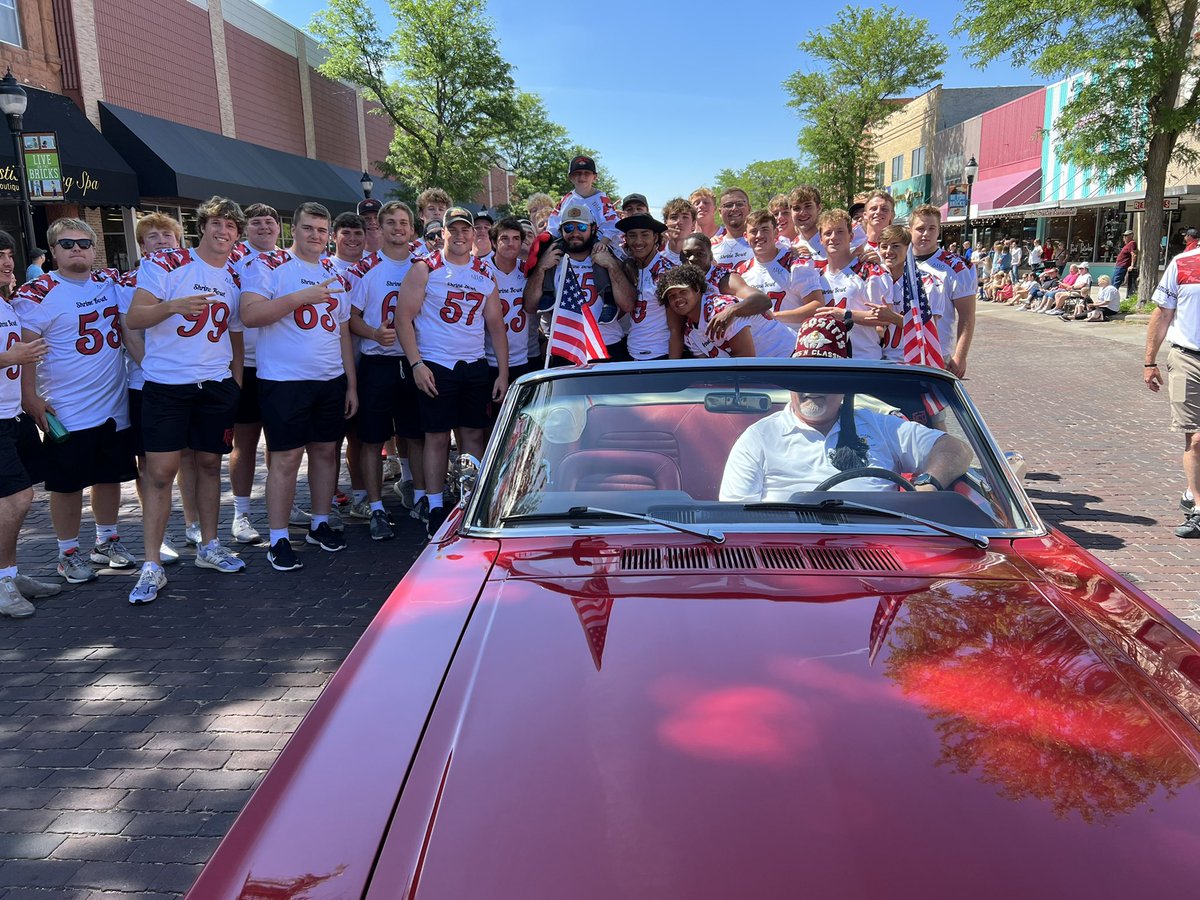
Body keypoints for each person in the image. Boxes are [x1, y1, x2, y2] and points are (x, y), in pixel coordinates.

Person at [124, 197, 247, 604]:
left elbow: (234, 331)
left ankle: (209, 546)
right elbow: (135, 319)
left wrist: (236, 380)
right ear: (203, 227)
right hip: (167, 384)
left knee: (210, 464)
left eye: (231, 226)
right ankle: (152, 564)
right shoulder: (166, 263)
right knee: (161, 471)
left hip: (214, 384)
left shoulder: (235, 272)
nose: (224, 232)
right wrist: (173, 306)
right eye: (217, 224)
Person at [719, 315, 971, 502]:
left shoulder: (880, 426)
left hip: (878, 557)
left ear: (845, 384)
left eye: (825, 376)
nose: (811, 386)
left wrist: (927, 485)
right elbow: (734, 523)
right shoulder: (759, 437)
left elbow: (955, 449)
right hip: (784, 561)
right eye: (802, 375)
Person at [15, 218, 137, 584]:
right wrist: (30, 398)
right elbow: (24, 352)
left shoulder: (109, 282)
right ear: (52, 251)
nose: (77, 249)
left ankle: (107, 541)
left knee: (110, 476)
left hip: (112, 402)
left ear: (95, 248)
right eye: (67, 244)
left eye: (84, 243)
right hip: (66, 405)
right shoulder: (38, 292)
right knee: (67, 485)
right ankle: (67, 553)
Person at [240, 202, 357, 571]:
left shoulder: (334, 274)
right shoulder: (268, 266)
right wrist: (297, 299)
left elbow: (341, 331)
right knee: (286, 458)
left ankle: (320, 523)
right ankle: (278, 538)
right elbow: (250, 314)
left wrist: (350, 383)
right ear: (294, 229)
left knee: (326, 452)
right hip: (284, 380)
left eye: (322, 230)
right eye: (309, 228)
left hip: (329, 378)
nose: (316, 236)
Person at [395, 207, 508, 536]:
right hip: (436, 364)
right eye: (452, 230)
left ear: (475, 234)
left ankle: (470, 499)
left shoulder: (484, 275)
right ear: (441, 233)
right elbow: (403, 319)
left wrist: (501, 372)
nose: (459, 235)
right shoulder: (424, 269)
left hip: (473, 364)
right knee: (437, 437)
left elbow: (496, 327)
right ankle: (434, 505)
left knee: (473, 434)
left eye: (465, 229)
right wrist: (416, 364)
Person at [115, 212, 197, 564]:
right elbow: (130, 331)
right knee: (149, 463)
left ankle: (194, 523)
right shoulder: (129, 281)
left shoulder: (191, 273)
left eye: (168, 235)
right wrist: (154, 370)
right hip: (146, 382)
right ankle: (158, 536)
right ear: (141, 243)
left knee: (190, 455)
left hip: (187, 380)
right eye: (153, 236)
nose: (162, 241)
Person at [346, 200, 420, 541]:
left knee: (415, 434)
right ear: (381, 227)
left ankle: (418, 494)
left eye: (403, 222)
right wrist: (374, 333)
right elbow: (351, 318)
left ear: (412, 228)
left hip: (414, 360)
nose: (397, 228)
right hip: (378, 361)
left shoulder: (423, 266)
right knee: (372, 438)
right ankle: (376, 507)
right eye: (390, 222)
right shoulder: (366, 268)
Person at [0, 229, 57, 616]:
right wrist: (8, 357)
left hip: (13, 416)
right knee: (17, 499)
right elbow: (10, 357)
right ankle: (3, 581)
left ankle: (10, 573)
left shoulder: (6, 305)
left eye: (7, 255)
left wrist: (31, 403)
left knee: (19, 499)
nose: (6, 262)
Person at [226, 202, 280, 544]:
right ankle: (241, 513)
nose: (264, 227)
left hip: (281, 365)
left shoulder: (287, 261)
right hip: (244, 364)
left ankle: (281, 504)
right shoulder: (233, 263)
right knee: (244, 442)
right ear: (246, 229)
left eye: (270, 221)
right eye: (257, 222)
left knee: (281, 442)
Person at [523, 204, 633, 361]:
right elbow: (530, 306)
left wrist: (612, 266)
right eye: (568, 228)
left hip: (607, 345)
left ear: (593, 229)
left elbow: (628, 305)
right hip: (565, 346)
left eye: (581, 227)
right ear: (561, 230)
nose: (575, 233)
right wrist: (541, 268)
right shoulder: (552, 259)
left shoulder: (607, 257)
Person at [1144, 242, 1200, 536]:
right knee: (1196, 435)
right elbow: (1163, 313)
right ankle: (1199, 509)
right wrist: (1149, 361)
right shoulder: (1183, 263)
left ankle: (1193, 492)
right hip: (1188, 357)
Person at [657, 264, 795, 359]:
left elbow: (745, 360)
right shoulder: (690, 333)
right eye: (672, 296)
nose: (678, 299)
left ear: (697, 289)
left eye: (683, 292)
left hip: (792, 358)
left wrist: (732, 311)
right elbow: (707, 367)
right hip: (767, 373)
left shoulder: (721, 308)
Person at [810, 209, 887, 361]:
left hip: (863, 360)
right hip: (825, 360)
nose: (833, 237)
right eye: (828, 233)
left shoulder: (868, 269)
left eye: (840, 231)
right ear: (820, 239)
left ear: (851, 236)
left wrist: (846, 315)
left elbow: (885, 318)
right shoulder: (814, 275)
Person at [909, 205, 976, 377]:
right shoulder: (897, 260)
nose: (926, 233)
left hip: (936, 354)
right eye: (920, 228)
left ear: (939, 231)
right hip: (900, 351)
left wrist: (960, 356)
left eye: (932, 228)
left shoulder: (957, 266)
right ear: (910, 230)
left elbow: (967, 316)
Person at [734, 209, 822, 333]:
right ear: (745, 236)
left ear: (776, 232)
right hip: (759, 347)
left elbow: (817, 305)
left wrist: (774, 316)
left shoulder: (795, 262)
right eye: (754, 231)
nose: (759, 235)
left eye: (765, 229)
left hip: (793, 345)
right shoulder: (741, 272)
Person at [619, 214, 676, 361]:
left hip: (660, 354)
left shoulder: (668, 271)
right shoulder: (629, 267)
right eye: (632, 235)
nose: (638, 241)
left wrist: (673, 366)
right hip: (632, 352)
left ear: (655, 238)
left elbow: (677, 327)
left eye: (645, 235)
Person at [546, 155, 620, 247]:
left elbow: (612, 225)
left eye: (587, 173)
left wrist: (602, 243)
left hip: (600, 246)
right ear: (570, 177)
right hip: (571, 246)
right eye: (577, 173)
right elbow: (553, 226)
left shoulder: (602, 199)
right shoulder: (566, 200)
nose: (582, 177)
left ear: (595, 177)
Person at [710, 188, 754, 267]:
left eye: (740, 204)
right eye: (728, 205)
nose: (734, 208)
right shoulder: (711, 247)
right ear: (720, 212)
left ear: (749, 209)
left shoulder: (764, 241)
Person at [661, 198, 696, 264]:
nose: (679, 222)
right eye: (674, 217)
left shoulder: (700, 257)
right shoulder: (655, 254)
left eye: (685, 217)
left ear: (693, 225)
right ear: (665, 223)